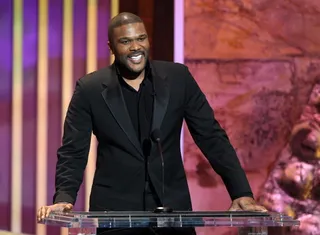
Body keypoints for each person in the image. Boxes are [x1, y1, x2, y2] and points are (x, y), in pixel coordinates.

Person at [37, 12, 266, 234]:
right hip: (116, 212)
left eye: (141, 38)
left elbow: (211, 136)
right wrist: (64, 198)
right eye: (125, 41)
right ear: (111, 47)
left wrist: (241, 192)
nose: (135, 47)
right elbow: (73, 151)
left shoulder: (178, 78)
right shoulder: (90, 89)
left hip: (172, 209)